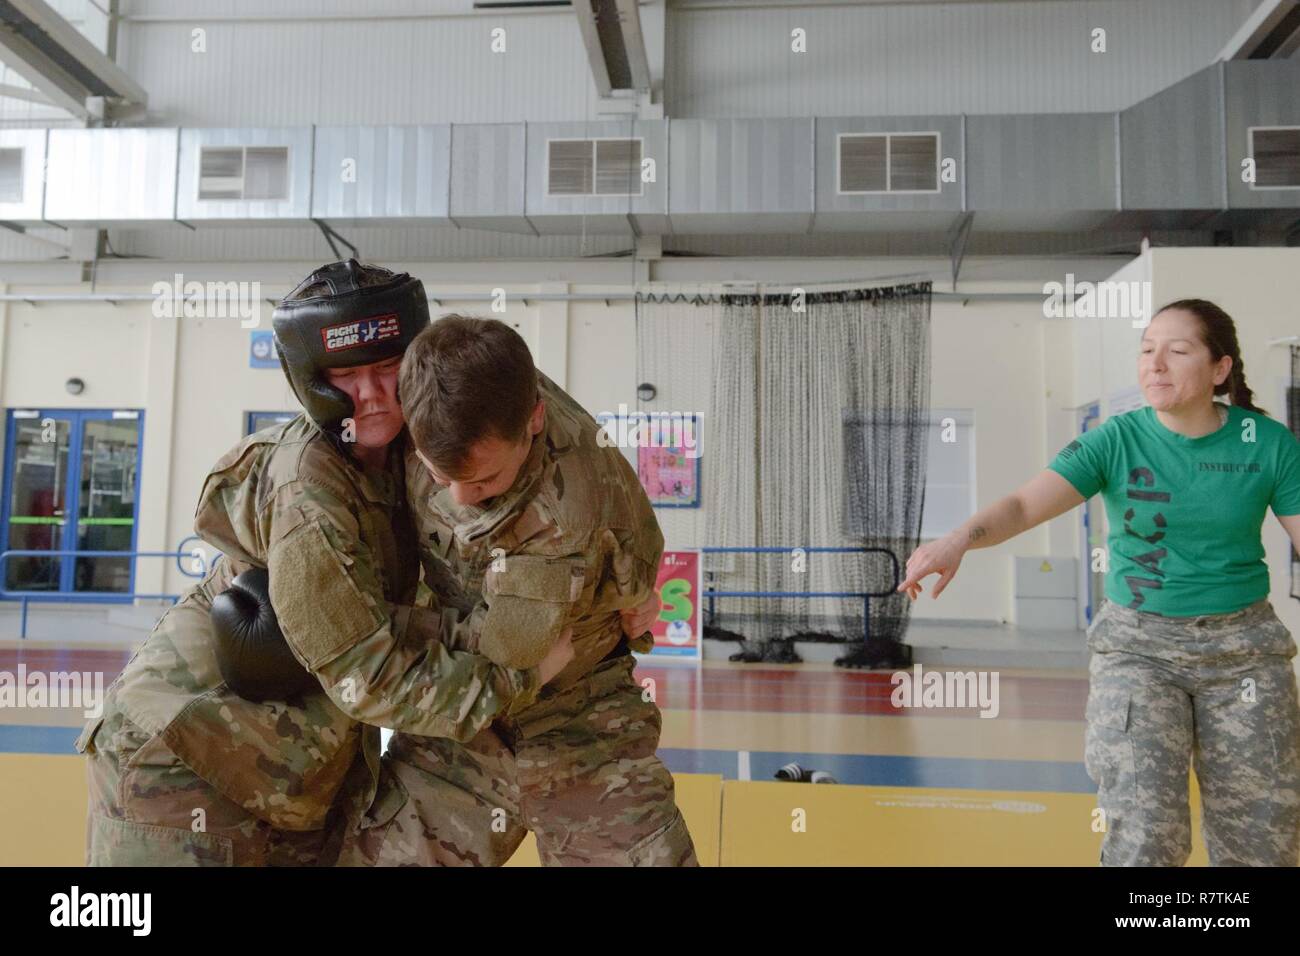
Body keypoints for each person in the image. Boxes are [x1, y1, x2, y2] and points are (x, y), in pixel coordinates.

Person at [76, 260, 569, 866]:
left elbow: (534, 448)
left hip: (287, 772)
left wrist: (622, 587)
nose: (371, 396)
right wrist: (520, 676)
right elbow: (366, 673)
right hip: (182, 762)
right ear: (312, 379)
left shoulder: (415, 457)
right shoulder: (307, 485)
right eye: (347, 375)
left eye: (389, 369)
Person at [898, 298, 1300, 866]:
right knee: (1144, 834)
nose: (1155, 364)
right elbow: (1020, 505)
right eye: (1146, 350)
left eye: (1177, 350)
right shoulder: (1115, 440)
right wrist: (956, 538)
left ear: (1220, 369)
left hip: (1244, 653)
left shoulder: (1269, 444)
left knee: (1262, 838)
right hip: (1138, 650)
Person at [338, 315, 698, 867]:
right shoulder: (450, 386)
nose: (459, 497)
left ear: (534, 421)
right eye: (439, 475)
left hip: (579, 716)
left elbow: (506, 663)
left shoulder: (562, 523)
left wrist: (384, 626)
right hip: (459, 721)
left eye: (483, 482)